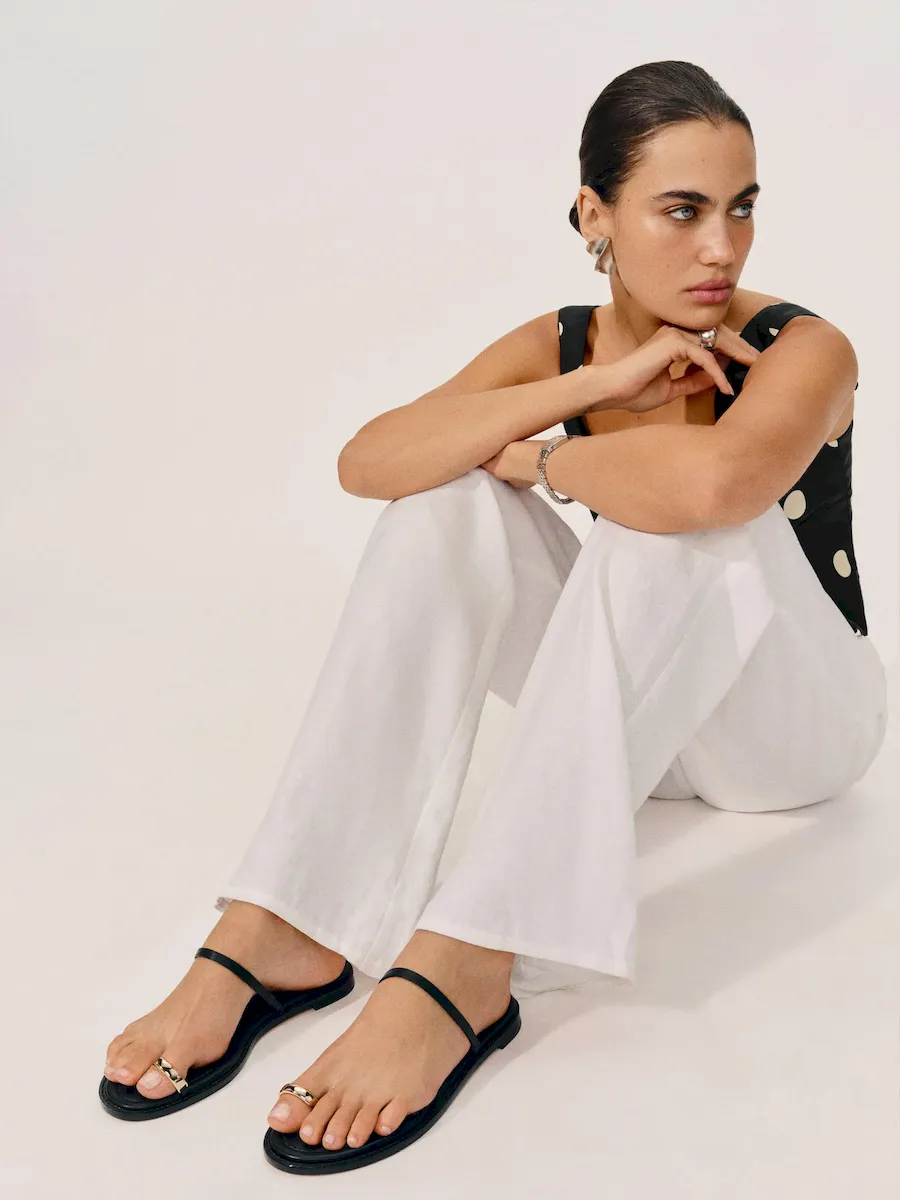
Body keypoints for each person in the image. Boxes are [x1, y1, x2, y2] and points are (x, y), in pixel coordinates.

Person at [100, 60, 888, 1173]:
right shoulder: (562, 345)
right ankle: (293, 919)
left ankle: (473, 950)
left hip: (797, 733)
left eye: (742, 207)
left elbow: (717, 486)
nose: (723, 248)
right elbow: (372, 460)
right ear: (594, 216)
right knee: (444, 501)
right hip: (652, 721)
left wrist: (543, 459)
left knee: (683, 516)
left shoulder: (803, 346)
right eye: (682, 210)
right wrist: (593, 391)